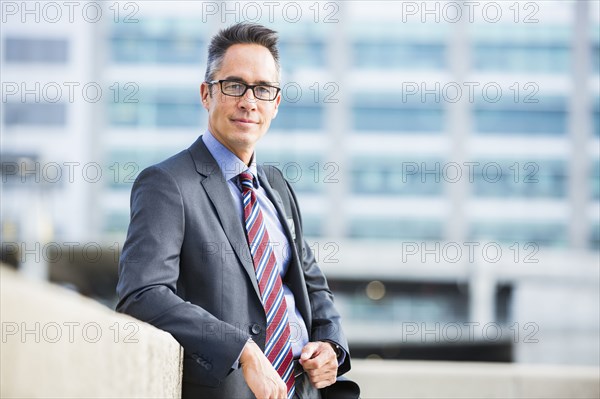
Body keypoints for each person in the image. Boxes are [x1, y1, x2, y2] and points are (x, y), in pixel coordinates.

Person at [116, 22, 351, 399]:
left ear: (276, 102)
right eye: (234, 85)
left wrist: (331, 345)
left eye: (262, 89)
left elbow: (313, 287)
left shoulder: (278, 187)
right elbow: (142, 293)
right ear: (206, 93)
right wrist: (241, 350)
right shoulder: (167, 184)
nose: (248, 101)